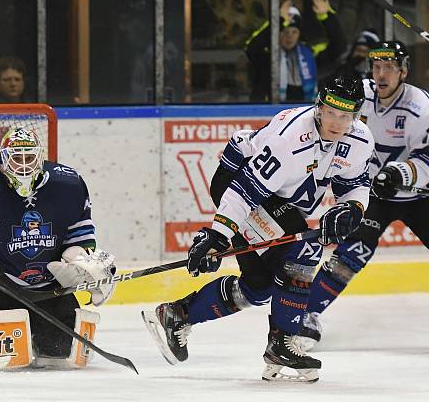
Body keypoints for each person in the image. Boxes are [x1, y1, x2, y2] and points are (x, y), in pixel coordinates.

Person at [142, 74, 374, 383]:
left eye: (345, 116)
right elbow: (245, 192)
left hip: (279, 202)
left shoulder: (358, 140)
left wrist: (352, 208)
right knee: (306, 245)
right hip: (239, 184)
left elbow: (355, 185)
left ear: (355, 116)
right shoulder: (289, 140)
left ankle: (179, 314)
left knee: (260, 287)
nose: (335, 122)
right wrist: (218, 235)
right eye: (330, 112)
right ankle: (282, 341)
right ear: (319, 107)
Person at [298, 41, 429, 349]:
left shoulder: (421, 107)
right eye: (376, 67)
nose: (381, 74)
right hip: (373, 196)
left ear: (404, 72)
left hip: (420, 196)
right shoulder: (360, 96)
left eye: (389, 68)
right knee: (350, 255)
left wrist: (399, 173)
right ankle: (308, 313)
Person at [0, 127, 115, 364]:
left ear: (40, 157)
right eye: (16, 158)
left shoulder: (68, 185)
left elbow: (79, 236)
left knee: (60, 355)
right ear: (2, 158)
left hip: (48, 290)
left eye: (29, 157)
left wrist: (78, 265)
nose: (23, 165)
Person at [245, 0, 345, 102]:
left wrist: (327, 17)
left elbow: (338, 47)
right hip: (270, 112)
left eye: (294, 32)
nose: (289, 36)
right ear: (277, 33)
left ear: (299, 34)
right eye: (285, 32)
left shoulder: (311, 53)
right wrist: (277, 21)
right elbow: (251, 48)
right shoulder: (268, 54)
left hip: (304, 111)